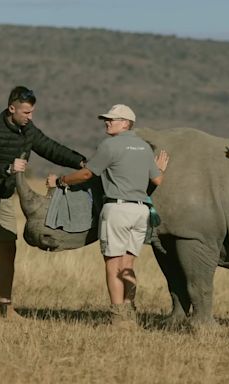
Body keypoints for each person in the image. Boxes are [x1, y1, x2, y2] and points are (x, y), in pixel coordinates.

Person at [0, 86, 86, 320]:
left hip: (5, 194)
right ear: (12, 108)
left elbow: (50, 147)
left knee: (8, 249)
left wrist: (81, 162)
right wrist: (7, 168)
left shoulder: (28, 129)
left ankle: (4, 308)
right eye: (26, 113)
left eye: (32, 112)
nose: (30, 117)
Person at [47, 104, 169, 328]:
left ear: (126, 123)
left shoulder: (110, 145)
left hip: (118, 210)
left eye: (112, 119)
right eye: (107, 119)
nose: (107, 122)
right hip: (141, 212)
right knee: (128, 264)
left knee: (113, 264)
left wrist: (61, 181)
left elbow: (87, 173)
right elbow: (157, 180)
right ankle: (129, 312)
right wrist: (158, 168)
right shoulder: (144, 148)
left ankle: (117, 317)